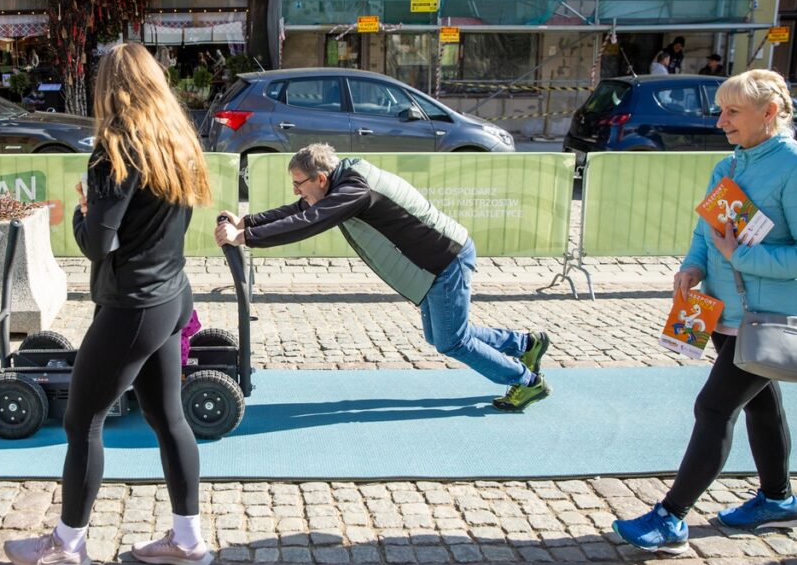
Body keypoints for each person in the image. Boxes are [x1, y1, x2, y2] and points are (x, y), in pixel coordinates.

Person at [611, 70, 797, 554]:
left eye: (732, 112)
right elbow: (707, 231)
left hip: (771, 317)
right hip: (726, 312)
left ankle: (671, 517)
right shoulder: (729, 165)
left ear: (770, 113)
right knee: (761, 404)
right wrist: (693, 266)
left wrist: (742, 257)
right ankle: (778, 501)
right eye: (720, 111)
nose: (721, 121)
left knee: (714, 408)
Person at [3, 43, 214, 565]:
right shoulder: (177, 141)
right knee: (167, 417)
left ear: (107, 89)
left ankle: (66, 545)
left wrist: (83, 211)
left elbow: (97, 243)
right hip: (170, 295)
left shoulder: (115, 150)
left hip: (132, 307)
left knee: (82, 421)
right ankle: (188, 540)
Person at [214, 143, 553, 412]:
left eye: (298, 183)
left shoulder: (354, 191)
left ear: (320, 179)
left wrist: (244, 237)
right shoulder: (343, 181)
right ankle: (525, 345)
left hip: (446, 259)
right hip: (437, 260)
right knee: (441, 335)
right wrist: (247, 222)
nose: (295, 190)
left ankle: (526, 381)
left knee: (452, 341)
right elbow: (301, 210)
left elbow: (309, 220)